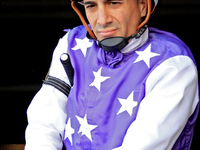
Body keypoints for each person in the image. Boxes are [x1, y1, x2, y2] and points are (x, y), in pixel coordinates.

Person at [25, 0, 199, 149]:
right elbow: (43, 122)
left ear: (143, 6)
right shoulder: (71, 44)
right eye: (91, 5)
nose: (102, 20)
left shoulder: (173, 64)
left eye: (114, 3)